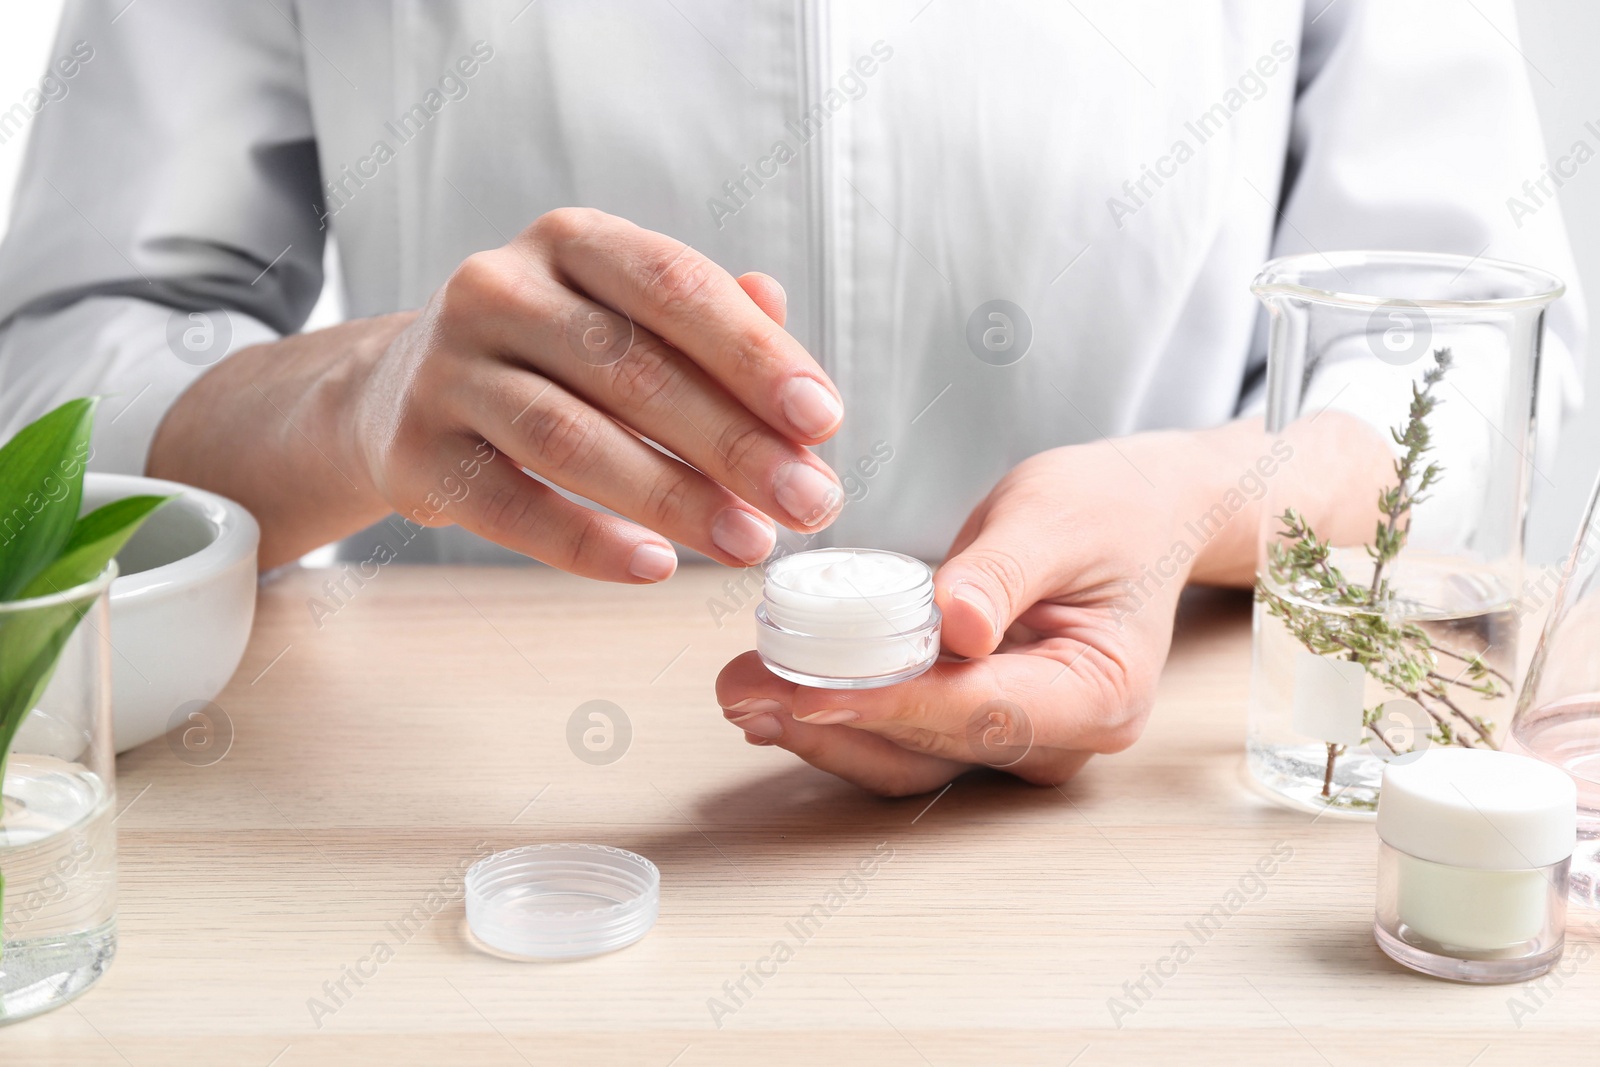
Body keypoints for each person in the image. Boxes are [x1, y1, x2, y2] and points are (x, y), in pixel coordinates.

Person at [0, 1, 1582, 794]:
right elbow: (51, 391)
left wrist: (1205, 504)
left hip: (1160, 792)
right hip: (494, 812)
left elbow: (1472, 350)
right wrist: (358, 394)